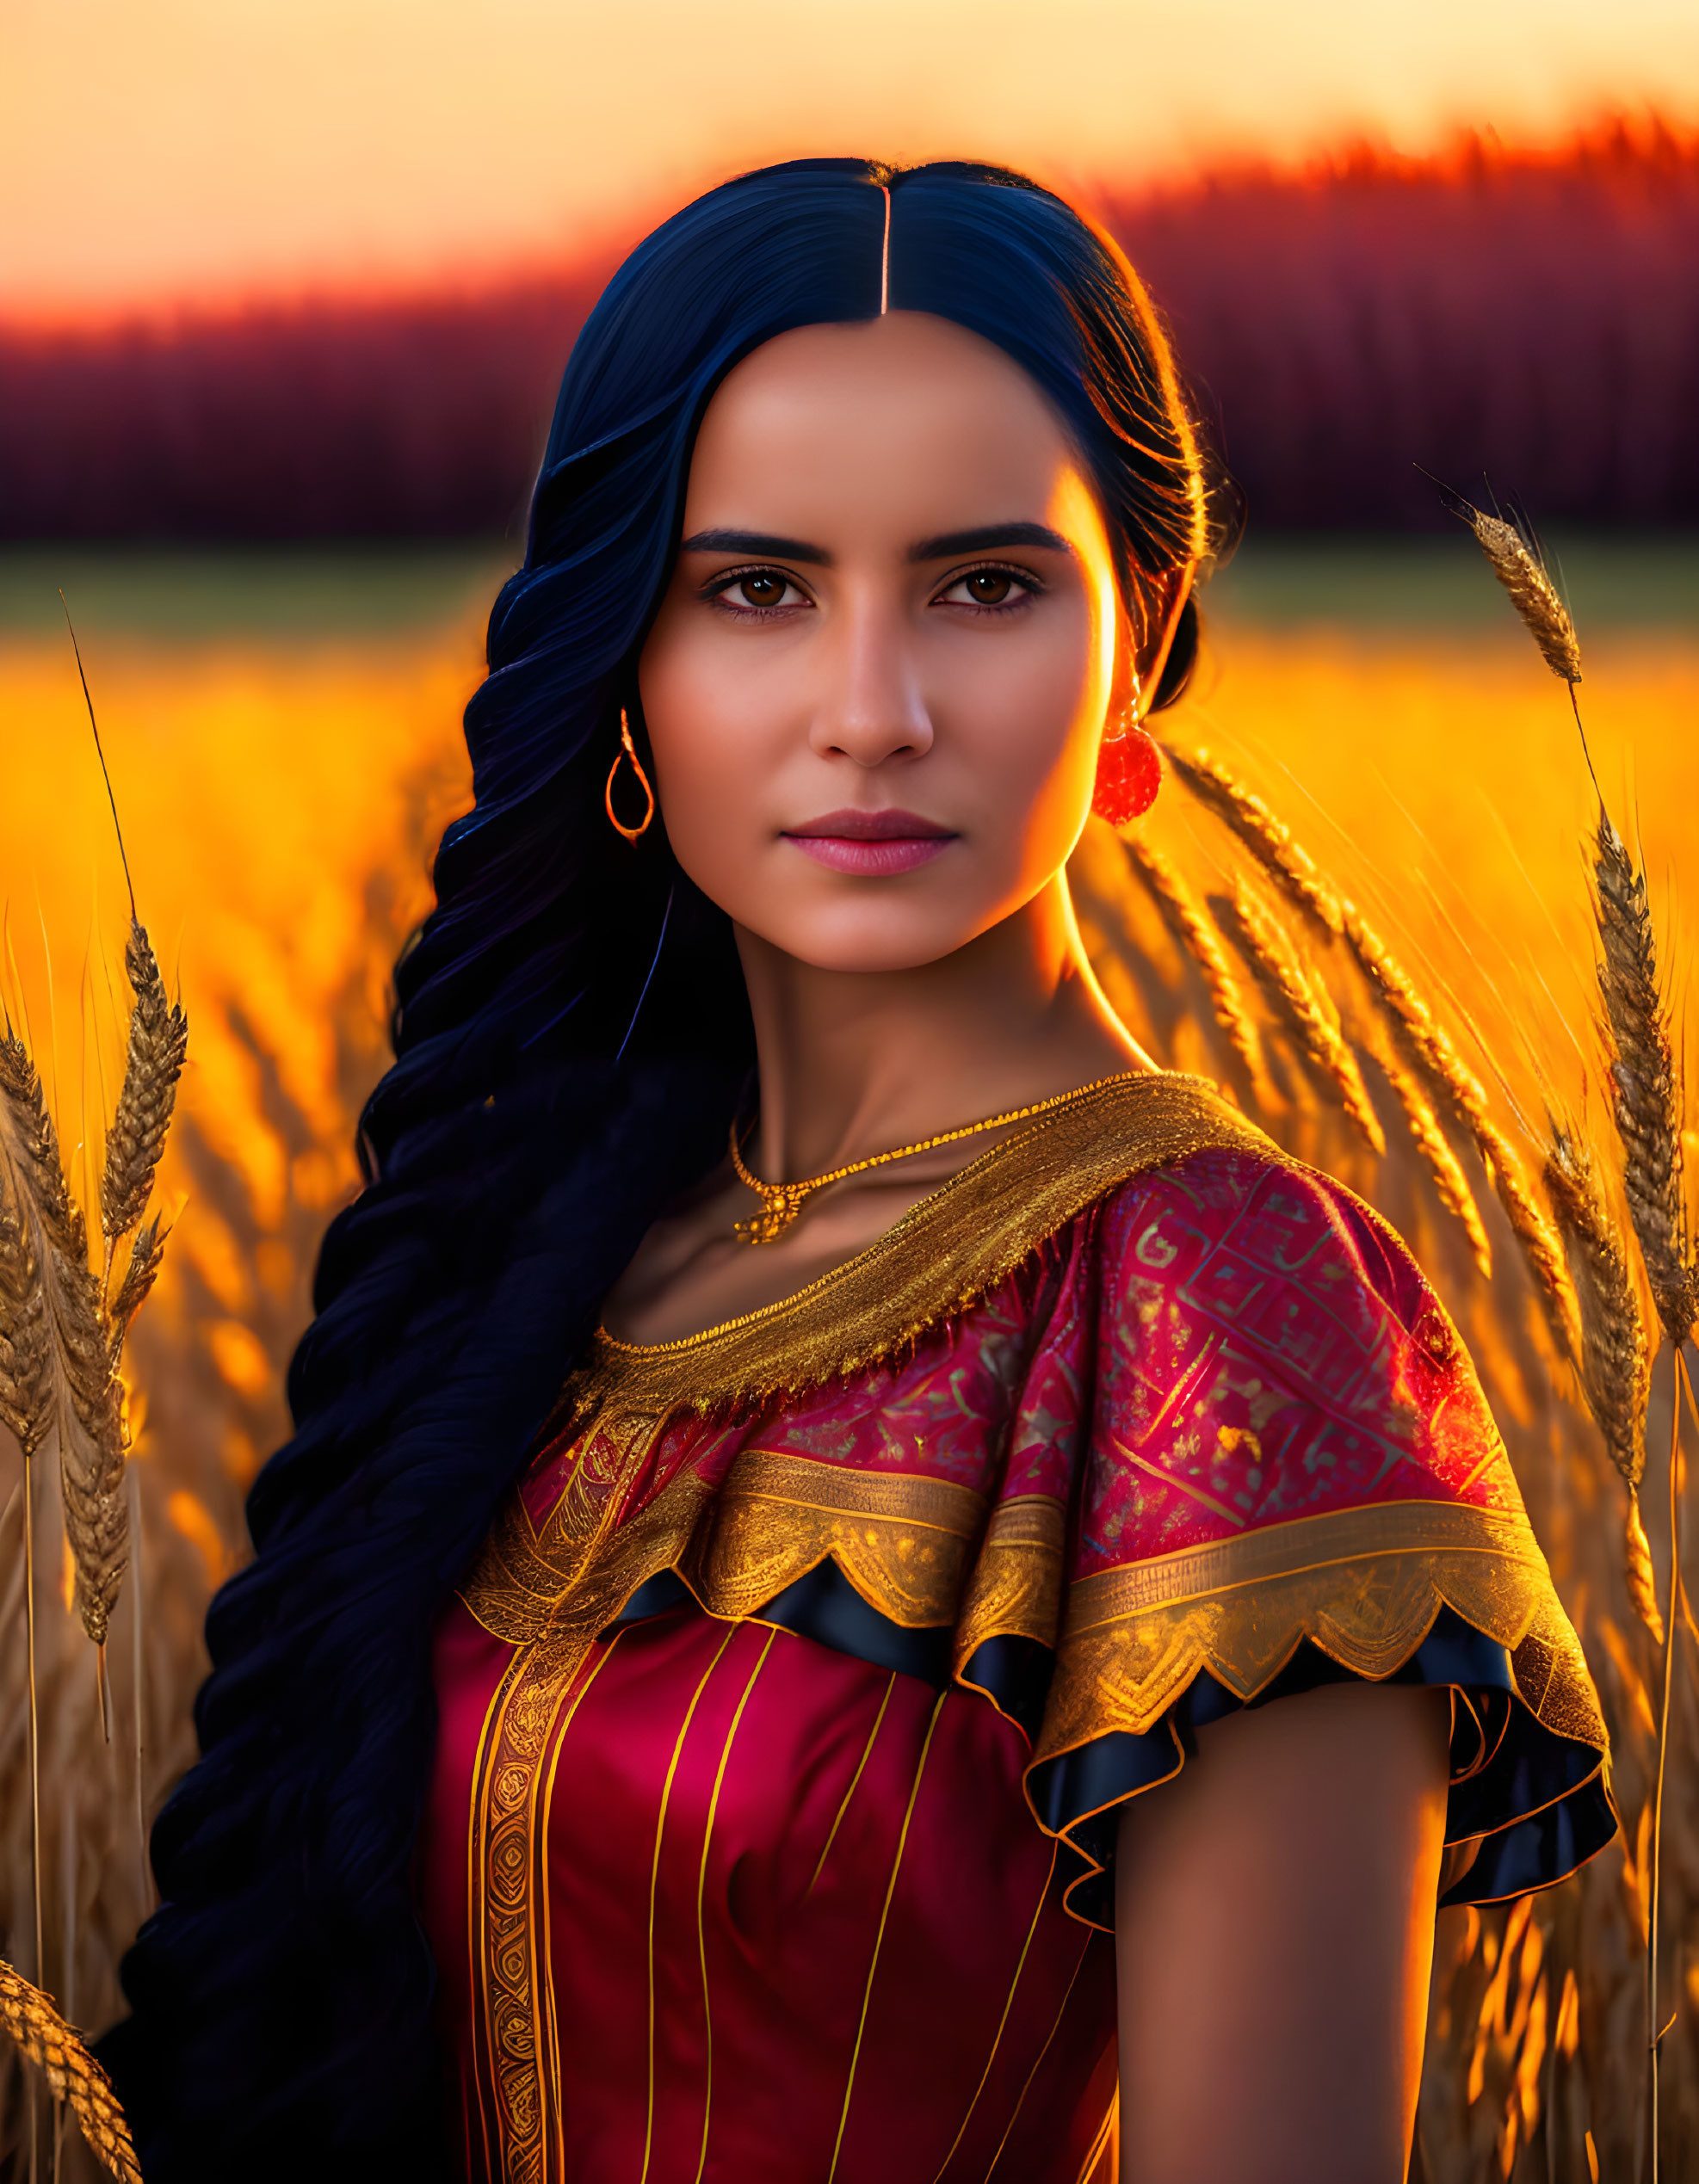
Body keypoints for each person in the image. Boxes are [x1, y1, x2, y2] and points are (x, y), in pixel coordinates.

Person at [102, 159, 1614, 2184]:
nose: (873, 713)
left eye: (987, 587)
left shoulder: (1224, 1307)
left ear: (1139, 646)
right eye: (756, 591)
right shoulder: (564, 1248)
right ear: (623, 669)